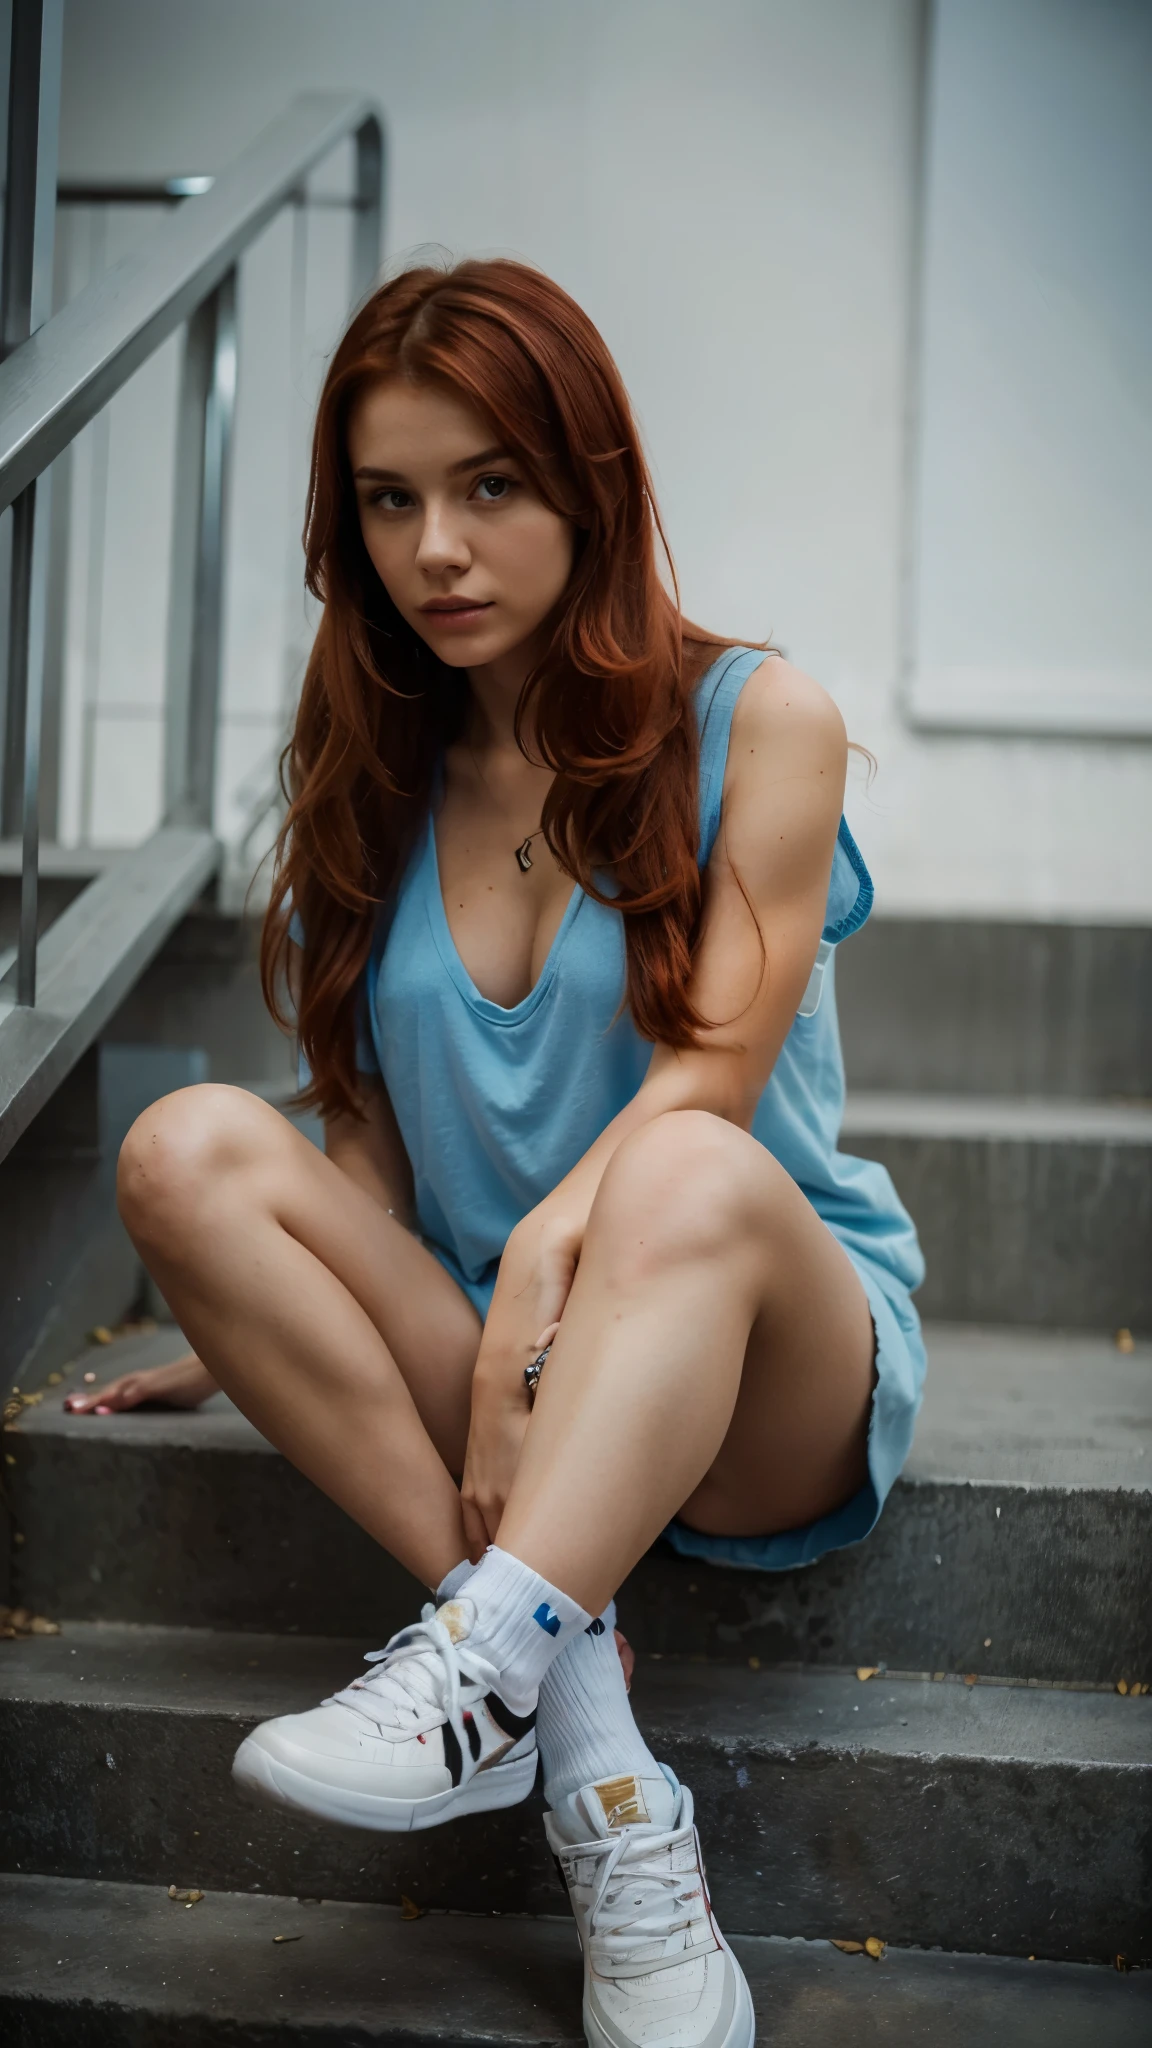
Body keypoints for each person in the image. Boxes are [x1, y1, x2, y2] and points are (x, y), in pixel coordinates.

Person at [72, 260, 925, 2048]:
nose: (435, 549)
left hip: (753, 1348)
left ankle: (481, 1677)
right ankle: (604, 1777)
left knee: (677, 1179)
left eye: (488, 487)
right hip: (512, 1380)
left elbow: (718, 1075)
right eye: (389, 500)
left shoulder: (757, 721)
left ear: (588, 484)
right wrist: (253, 1311)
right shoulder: (369, 759)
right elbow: (368, 1155)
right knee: (181, 1150)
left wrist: (548, 1246)